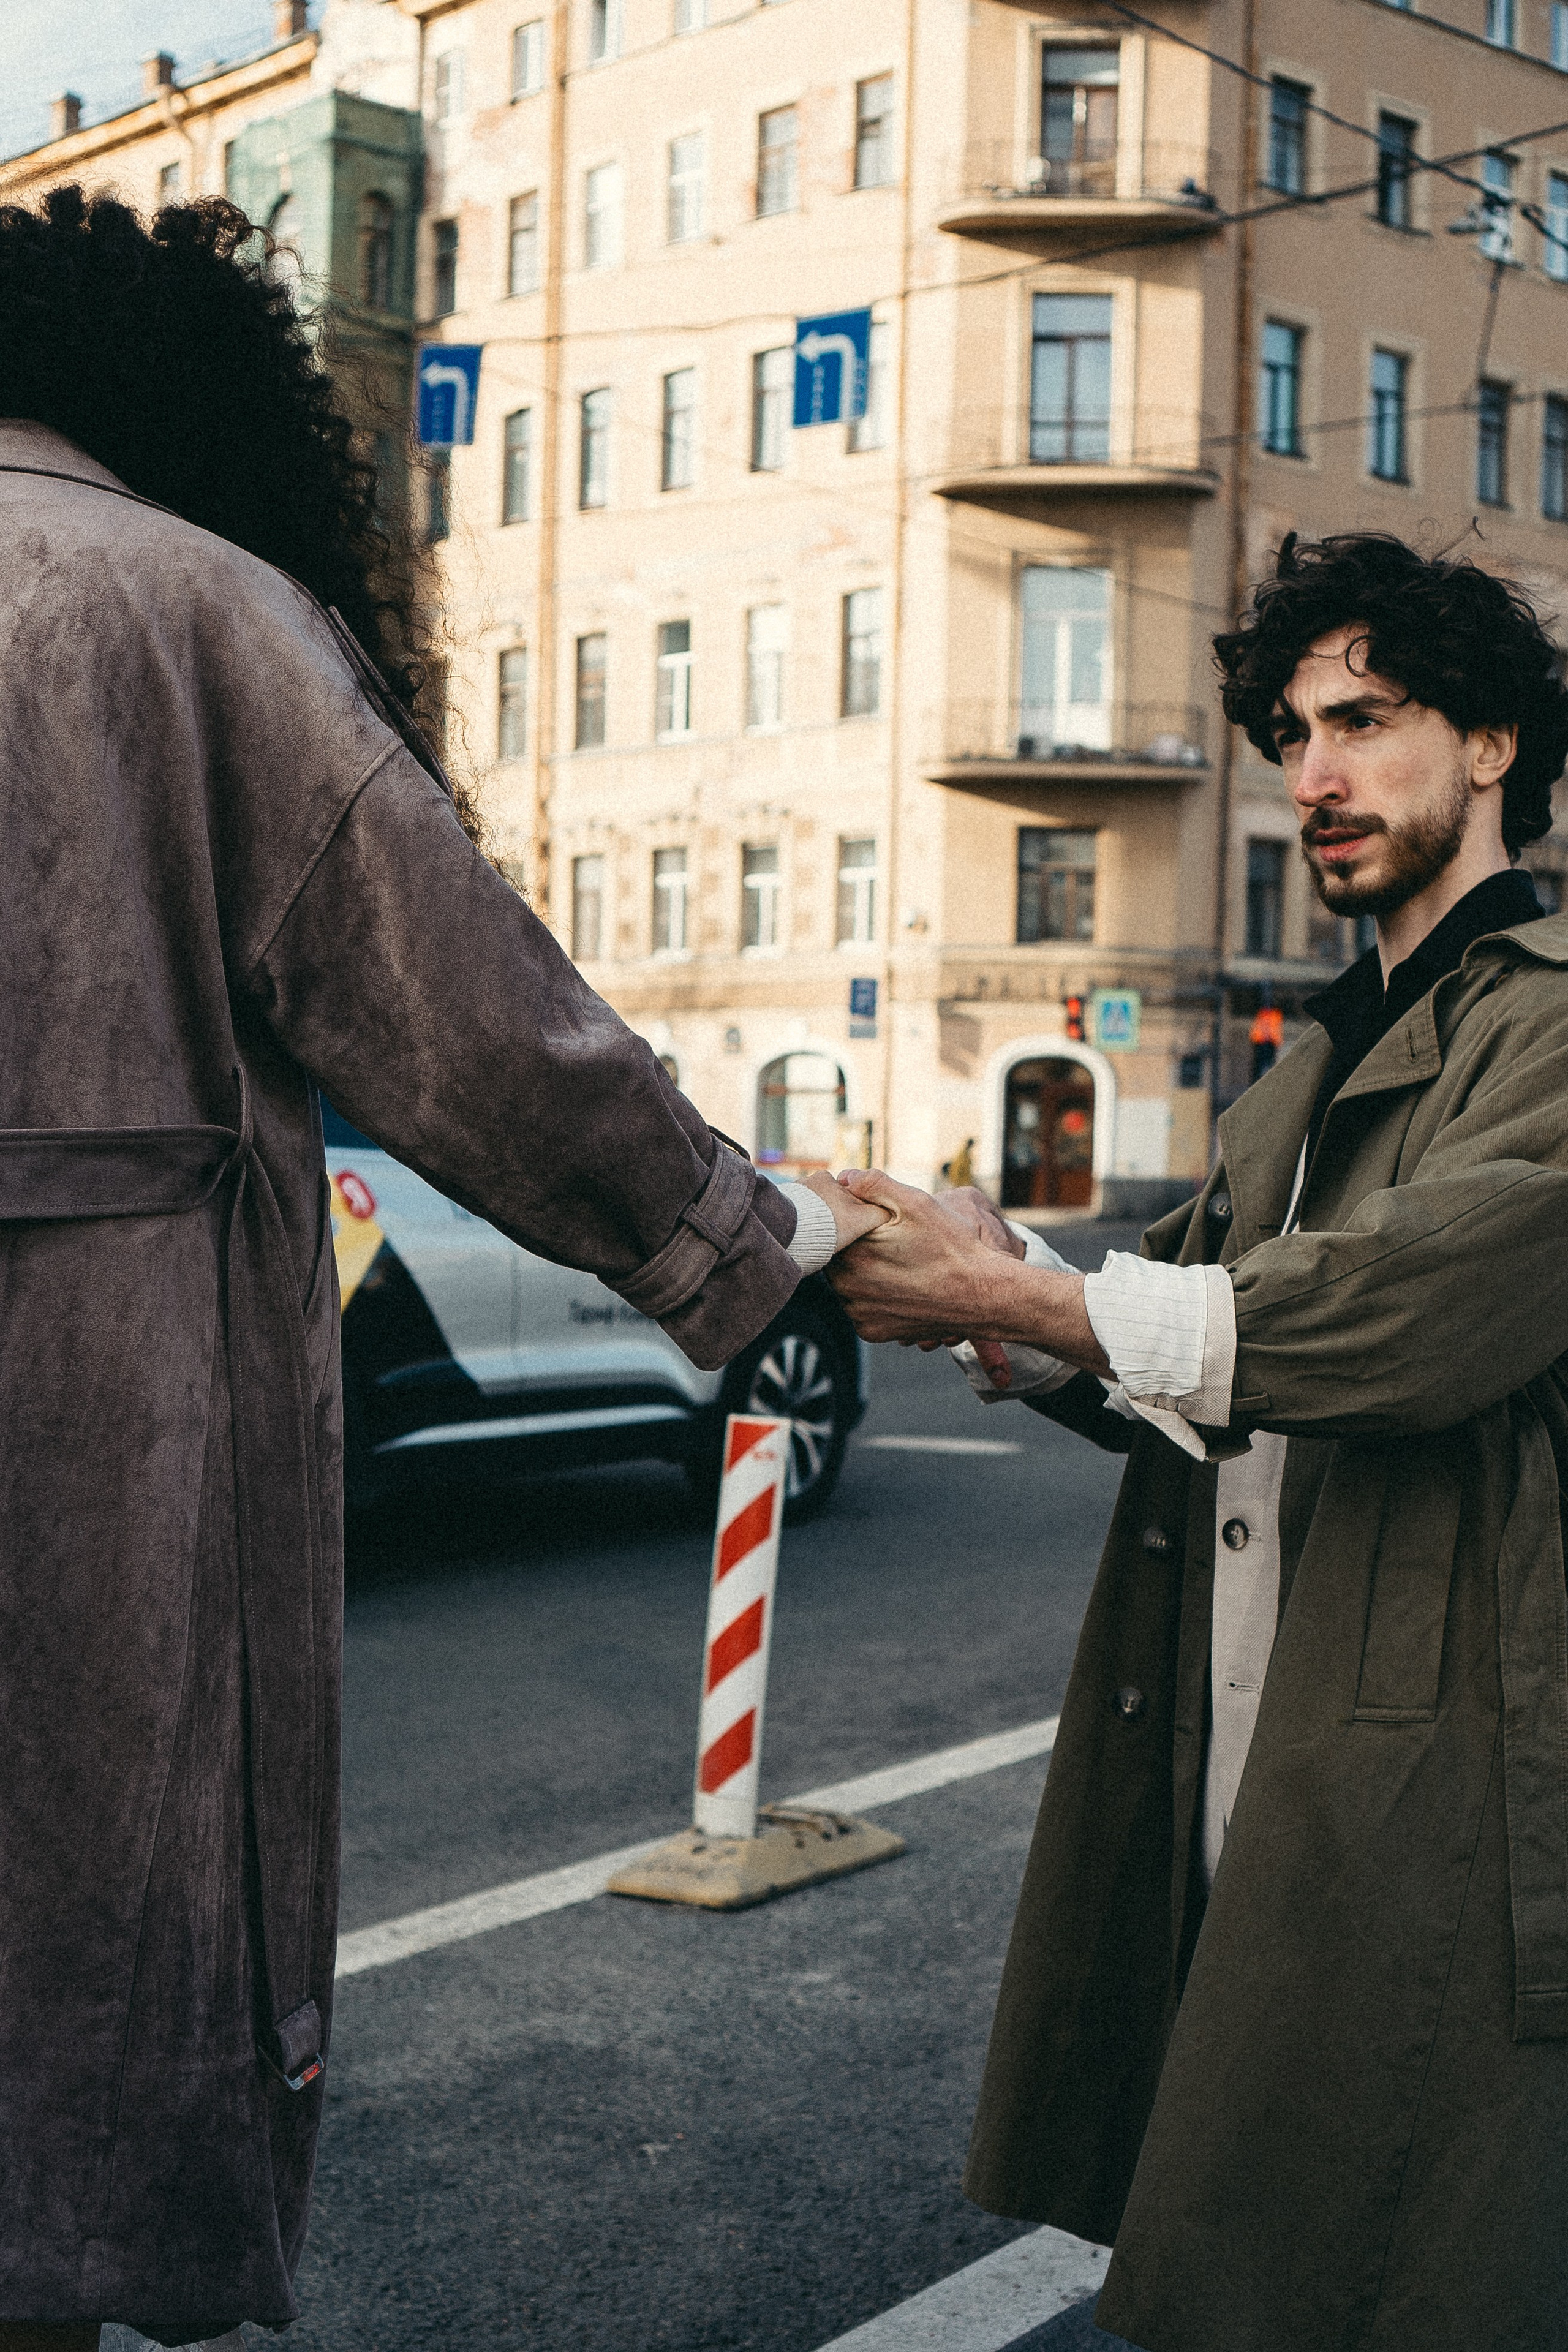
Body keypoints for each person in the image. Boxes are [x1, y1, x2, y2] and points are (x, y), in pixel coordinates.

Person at [0, 187, 880, 2352]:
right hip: (92, 1461)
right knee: (59, 2051)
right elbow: (475, 1015)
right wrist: (742, 1262)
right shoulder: (186, 607)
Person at [829, 532, 1568, 2352]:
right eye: (1292, 733)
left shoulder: (1549, 1017)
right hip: (1254, 1720)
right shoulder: (1311, 1063)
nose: (1313, 775)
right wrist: (996, 1289)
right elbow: (1183, 1338)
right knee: (1272, 2223)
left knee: (1407, 2235)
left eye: (1366, 721)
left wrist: (1041, 1308)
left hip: (1437, 1750)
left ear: (1491, 748)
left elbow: (1404, 1310)